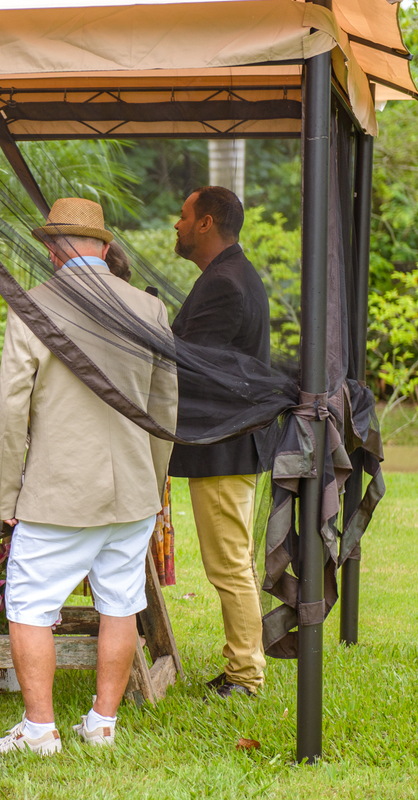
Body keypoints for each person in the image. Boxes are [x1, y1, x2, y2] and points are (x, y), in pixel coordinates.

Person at [0, 198, 177, 754]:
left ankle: (39, 729)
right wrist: (153, 484)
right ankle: (102, 723)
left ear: (52, 249)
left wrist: (6, 493)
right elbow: (165, 410)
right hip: (134, 491)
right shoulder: (149, 309)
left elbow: (11, 412)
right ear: (105, 245)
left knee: (28, 604)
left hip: (60, 492)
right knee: (120, 602)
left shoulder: (32, 307)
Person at [169, 186, 270, 699]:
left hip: (223, 444)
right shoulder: (230, 274)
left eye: (184, 215)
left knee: (229, 563)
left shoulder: (225, 284)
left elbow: (193, 366)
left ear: (206, 222)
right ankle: (242, 666)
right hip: (228, 441)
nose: (177, 224)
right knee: (234, 559)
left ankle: (246, 675)